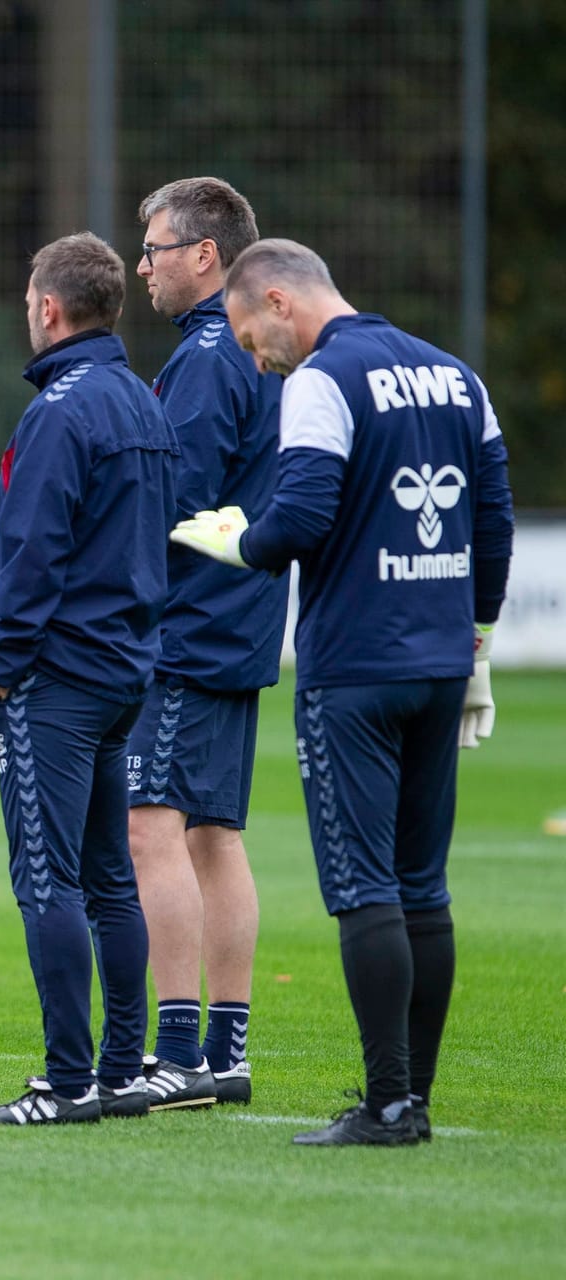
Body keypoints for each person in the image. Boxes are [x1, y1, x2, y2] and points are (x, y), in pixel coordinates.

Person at [172, 238, 514, 1146]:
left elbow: (301, 521)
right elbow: (494, 513)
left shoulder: (322, 380)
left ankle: (387, 1103)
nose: (255, 357)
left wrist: (232, 541)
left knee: (365, 886)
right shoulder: (455, 374)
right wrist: (475, 632)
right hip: (440, 665)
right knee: (423, 888)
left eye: (251, 335)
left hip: (354, 668)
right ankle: (417, 1101)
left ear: (280, 301)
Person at [0, 232, 176, 1127]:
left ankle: (65, 1080)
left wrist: (3, 671)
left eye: (27, 300)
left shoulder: (60, 410)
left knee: (49, 879)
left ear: (48, 309)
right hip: (126, 670)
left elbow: (31, 553)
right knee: (109, 878)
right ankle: (122, 1068)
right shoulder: (141, 402)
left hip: (56, 677)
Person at [125, 177, 286, 1109]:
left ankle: (179, 1051)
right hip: (243, 621)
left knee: (154, 831)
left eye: (153, 248)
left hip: (186, 629)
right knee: (216, 836)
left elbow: (168, 503)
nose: (142, 265)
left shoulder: (204, 357)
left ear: (204, 256)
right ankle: (225, 1053)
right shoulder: (262, 351)